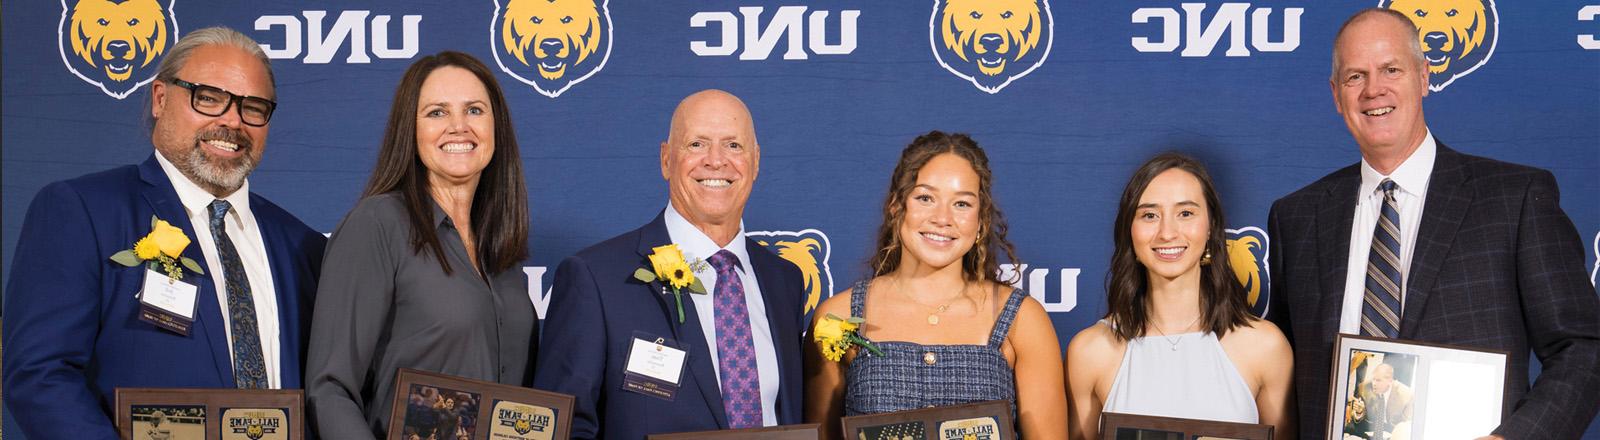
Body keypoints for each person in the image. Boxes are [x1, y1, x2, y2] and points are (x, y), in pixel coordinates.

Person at [1266, 8, 1600, 440]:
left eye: (1391, 69)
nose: (1373, 90)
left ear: (1424, 77)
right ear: (1336, 94)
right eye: (1355, 77)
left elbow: (1583, 349)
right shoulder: (1296, 216)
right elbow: (1280, 371)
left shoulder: (1514, 198)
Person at [1, 27, 326, 439]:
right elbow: (39, 375)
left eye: (254, 107)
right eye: (208, 97)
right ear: (159, 98)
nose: (232, 121)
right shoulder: (83, 210)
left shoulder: (302, 245)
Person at [532, 89, 807, 439]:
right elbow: (563, 429)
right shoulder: (595, 279)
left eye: (733, 146)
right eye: (696, 144)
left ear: (755, 162)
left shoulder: (783, 280)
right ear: (666, 159)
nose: (716, 160)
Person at [305, 51, 535, 439]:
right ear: (409, 130)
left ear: (498, 126)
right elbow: (329, 389)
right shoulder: (377, 224)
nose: (459, 127)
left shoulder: (502, 247)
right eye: (437, 113)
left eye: (475, 110)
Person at [804, 131, 1067, 439]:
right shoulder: (837, 315)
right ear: (895, 207)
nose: (943, 218)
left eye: (962, 204)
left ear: (981, 222)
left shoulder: (1022, 318)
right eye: (925, 198)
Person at [1065, 153, 1293, 439]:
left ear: (1210, 226)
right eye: (1150, 215)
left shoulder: (1265, 346)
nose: (1167, 232)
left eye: (1186, 213)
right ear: (1129, 231)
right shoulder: (1091, 351)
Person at [1356, 363, 1412, 437]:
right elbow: (1360, 421)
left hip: (1394, 432)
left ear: (1390, 381)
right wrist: (1360, 412)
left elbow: (1406, 428)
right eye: (1373, 379)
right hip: (1371, 431)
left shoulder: (1406, 396)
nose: (1374, 383)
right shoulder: (1365, 388)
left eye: (1378, 380)